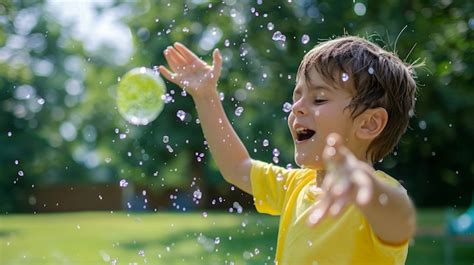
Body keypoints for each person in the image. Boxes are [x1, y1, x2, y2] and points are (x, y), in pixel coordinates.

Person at [159, 35, 418, 265]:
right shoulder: (297, 186)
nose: (297, 108)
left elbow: (399, 221)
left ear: (369, 123)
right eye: (297, 97)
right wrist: (206, 96)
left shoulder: (375, 196)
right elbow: (237, 167)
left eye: (319, 99)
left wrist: (364, 186)